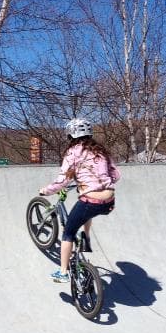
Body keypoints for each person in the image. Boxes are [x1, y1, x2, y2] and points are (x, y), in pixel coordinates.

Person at [39, 118, 120, 283]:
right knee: (86, 213)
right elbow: (116, 175)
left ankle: (63, 272)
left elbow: (63, 181)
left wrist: (46, 191)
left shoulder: (73, 152)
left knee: (68, 233)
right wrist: (98, 183)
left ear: (71, 134)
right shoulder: (101, 151)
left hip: (90, 201)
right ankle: (86, 238)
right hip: (110, 201)